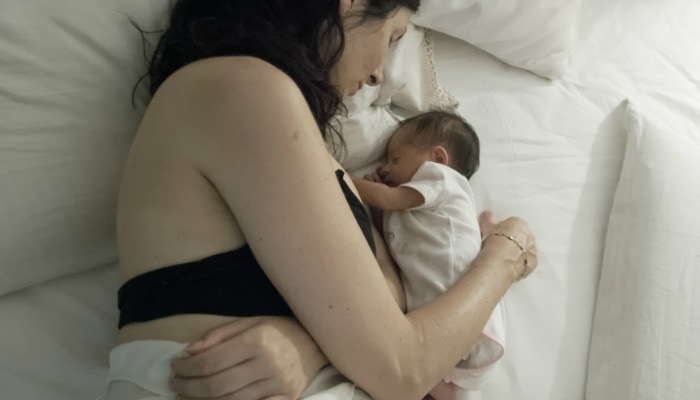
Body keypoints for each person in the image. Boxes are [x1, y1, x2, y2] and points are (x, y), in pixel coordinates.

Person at [107, 0, 538, 399]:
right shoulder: (239, 88)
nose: (378, 75)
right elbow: (403, 367)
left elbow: (390, 299)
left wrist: (307, 342)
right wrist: (506, 251)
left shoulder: (313, 154)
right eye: (391, 38)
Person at [351, 111, 506, 400]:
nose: (386, 168)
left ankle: (488, 227)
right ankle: (486, 226)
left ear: (438, 158)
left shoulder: (441, 179)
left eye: (395, 160)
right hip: (443, 327)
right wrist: (377, 207)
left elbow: (388, 199)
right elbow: (388, 238)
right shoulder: (419, 207)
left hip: (463, 319)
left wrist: (341, 177)